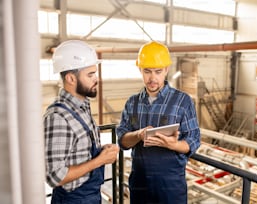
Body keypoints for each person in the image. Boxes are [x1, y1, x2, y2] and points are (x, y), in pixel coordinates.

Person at [116, 41, 201, 204]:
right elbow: (122, 141)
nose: (152, 78)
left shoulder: (182, 101)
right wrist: (139, 135)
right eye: (147, 71)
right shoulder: (132, 103)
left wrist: (173, 145)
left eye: (158, 71)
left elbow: (194, 139)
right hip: (140, 184)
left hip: (171, 186)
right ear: (140, 70)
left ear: (167, 70)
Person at [44, 40, 119, 204]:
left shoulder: (82, 108)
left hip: (91, 196)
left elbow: (79, 152)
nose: (96, 79)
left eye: (95, 73)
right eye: (90, 75)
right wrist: (99, 161)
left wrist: (101, 152)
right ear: (71, 78)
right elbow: (54, 177)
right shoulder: (58, 117)